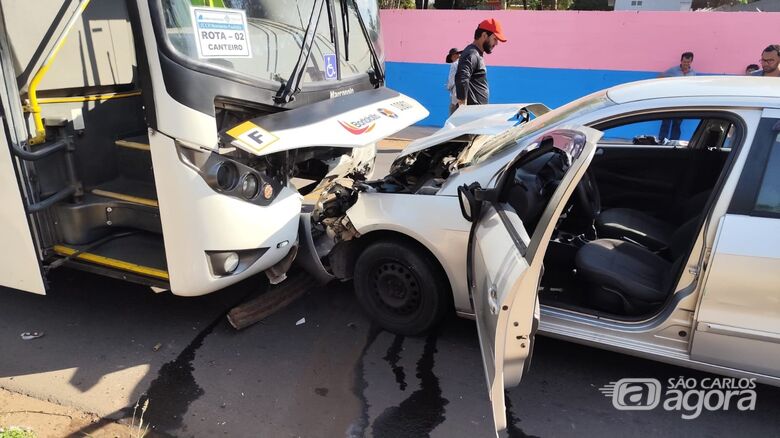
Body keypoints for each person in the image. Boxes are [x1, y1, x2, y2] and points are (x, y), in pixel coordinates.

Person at [454, 18, 507, 108]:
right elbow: (462, 77)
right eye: (495, 39)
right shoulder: (472, 54)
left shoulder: (476, 53)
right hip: (472, 116)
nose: (496, 43)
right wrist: (462, 106)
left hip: (476, 114)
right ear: (484, 35)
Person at [658, 52, 696, 140]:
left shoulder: (693, 73)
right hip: (670, 100)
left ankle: (674, 141)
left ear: (691, 62)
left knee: (677, 123)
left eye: (688, 62)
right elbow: (660, 77)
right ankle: (662, 140)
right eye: (684, 62)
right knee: (666, 121)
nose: (686, 64)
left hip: (682, 102)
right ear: (681, 61)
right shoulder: (673, 70)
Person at [445, 48, 461, 115]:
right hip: (465, 96)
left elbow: (452, 81)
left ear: (453, 55)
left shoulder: (454, 64)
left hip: (456, 95)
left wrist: (448, 86)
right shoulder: (465, 64)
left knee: (452, 116)